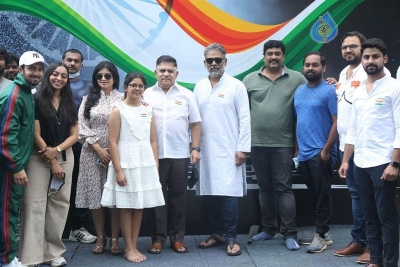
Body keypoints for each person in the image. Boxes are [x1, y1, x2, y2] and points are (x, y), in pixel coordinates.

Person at [339, 38, 400, 267]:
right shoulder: (359, 90)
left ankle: (390, 262)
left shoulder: (395, 87)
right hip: (360, 162)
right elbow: (353, 127)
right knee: (370, 216)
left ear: (385, 59)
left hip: (384, 163)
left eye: (375, 56)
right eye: (366, 57)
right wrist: (346, 160)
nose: (370, 61)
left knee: (386, 217)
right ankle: (376, 260)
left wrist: (395, 163)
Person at [242, 40, 306, 250]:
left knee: (284, 189)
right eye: (269, 54)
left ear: (283, 57)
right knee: (264, 188)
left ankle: (289, 233)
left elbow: (311, 95)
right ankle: (268, 229)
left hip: (283, 144)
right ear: (264, 56)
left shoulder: (297, 78)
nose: (273, 57)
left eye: (277, 54)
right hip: (256, 144)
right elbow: (242, 114)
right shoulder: (250, 79)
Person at [101, 72, 165, 263]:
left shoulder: (148, 109)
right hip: (125, 161)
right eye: (133, 85)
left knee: (139, 207)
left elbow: (153, 141)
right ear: (126, 87)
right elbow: (112, 142)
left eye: (140, 86)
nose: (137, 88)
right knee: (126, 206)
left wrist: (155, 166)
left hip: (145, 162)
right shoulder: (117, 110)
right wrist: (118, 170)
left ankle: (134, 245)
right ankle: (128, 247)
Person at [19, 62, 78, 267]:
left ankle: (53, 253)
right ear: (47, 76)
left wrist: (58, 151)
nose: (59, 78)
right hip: (39, 156)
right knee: (33, 204)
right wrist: (52, 159)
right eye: (55, 74)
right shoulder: (35, 98)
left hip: (65, 156)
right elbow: (35, 133)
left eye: (63, 76)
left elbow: (75, 135)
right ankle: (30, 256)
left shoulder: (69, 101)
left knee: (59, 205)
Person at [195, 43, 251, 256]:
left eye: (218, 59)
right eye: (210, 60)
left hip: (230, 149)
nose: (214, 63)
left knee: (228, 193)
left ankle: (231, 237)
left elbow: (245, 118)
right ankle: (217, 233)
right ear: (205, 63)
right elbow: (194, 120)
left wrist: (243, 148)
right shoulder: (199, 86)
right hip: (206, 150)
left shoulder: (236, 86)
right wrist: (194, 147)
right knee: (210, 192)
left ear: (225, 61)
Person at [143, 55, 201, 254]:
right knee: (157, 198)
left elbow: (195, 124)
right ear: (155, 72)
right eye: (162, 70)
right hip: (154, 156)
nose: (166, 74)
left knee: (179, 197)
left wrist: (195, 148)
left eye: (170, 71)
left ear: (177, 73)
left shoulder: (187, 95)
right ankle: (157, 239)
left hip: (179, 155)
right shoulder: (146, 95)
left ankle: (177, 239)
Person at [0, 51, 47, 267]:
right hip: (9, 167)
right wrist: (16, 167)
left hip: (14, 164)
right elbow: (6, 135)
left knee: (10, 209)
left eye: (39, 68)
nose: (36, 73)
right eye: (31, 68)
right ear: (21, 70)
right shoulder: (15, 94)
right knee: (7, 210)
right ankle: (7, 259)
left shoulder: (27, 92)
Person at [75, 61, 123, 255]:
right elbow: (81, 127)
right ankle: (100, 236)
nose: (103, 79)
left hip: (117, 154)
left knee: (116, 198)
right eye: (99, 76)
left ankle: (114, 238)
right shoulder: (88, 99)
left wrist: (111, 151)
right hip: (91, 153)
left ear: (114, 78)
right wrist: (98, 149)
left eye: (107, 76)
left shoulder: (123, 98)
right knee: (95, 197)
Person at [294, 51, 338, 253]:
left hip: (321, 153)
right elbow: (299, 121)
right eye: (307, 65)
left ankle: (320, 235)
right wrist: (297, 150)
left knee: (322, 195)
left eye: (315, 65)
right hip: (303, 154)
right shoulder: (299, 92)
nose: (310, 68)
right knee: (314, 194)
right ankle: (324, 233)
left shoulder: (330, 90)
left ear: (324, 68)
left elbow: (337, 123)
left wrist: (327, 149)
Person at [334, 31, 370, 263]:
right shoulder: (343, 73)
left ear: (362, 48)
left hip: (362, 145)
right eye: (345, 47)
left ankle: (371, 244)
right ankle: (359, 240)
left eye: (353, 47)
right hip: (344, 145)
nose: (349, 50)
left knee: (367, 197)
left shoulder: (370, 71)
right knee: (356, 195)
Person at [62, 48, 96, 244]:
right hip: (54, 146)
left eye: (76, 61)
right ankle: (51, 231)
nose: (72, 63)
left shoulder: (89, 88)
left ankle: (77, 228)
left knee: (77, 187)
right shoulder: (50, 85)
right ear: (62, 61)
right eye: (69, 60)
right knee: (53, 189)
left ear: (82, 65)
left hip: (80, 147)